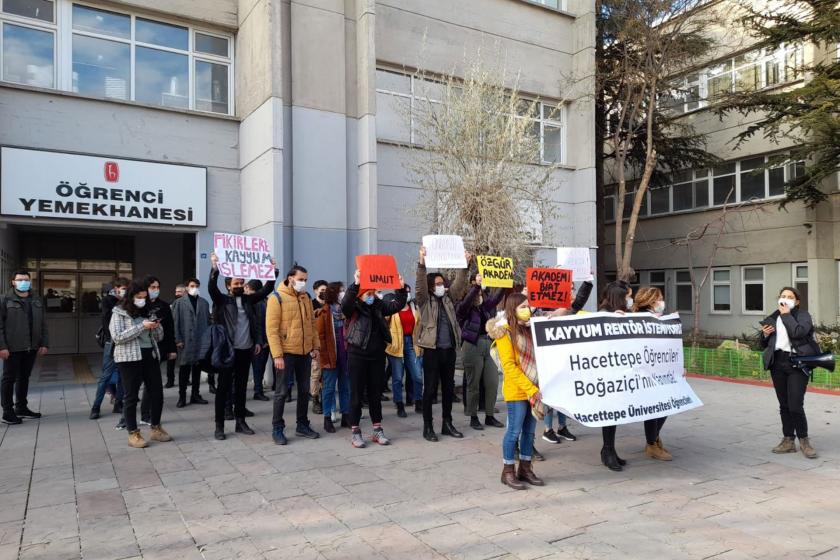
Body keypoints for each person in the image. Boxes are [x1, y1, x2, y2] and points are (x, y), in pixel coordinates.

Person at [208, 253, 276, 440]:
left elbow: (267, 288)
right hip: (227, 351)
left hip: (246, 350)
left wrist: (271, 270)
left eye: (241, 283)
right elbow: (211, 287)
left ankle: (240, 422)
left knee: (240, 387)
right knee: (223, 389)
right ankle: (219, 426)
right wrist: (215, 268)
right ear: (228, 286)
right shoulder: (222, 300)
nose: (239, 286)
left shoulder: (248, 300)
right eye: (235, 284)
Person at [342, 270, 408, 448]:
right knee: (356, 394)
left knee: (375, 394)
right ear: (361, 295)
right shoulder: (354, 306)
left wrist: (401, 289)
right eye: (369, 294)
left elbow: (396, 306)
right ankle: (355, 430)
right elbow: (345, 305)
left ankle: (377, 429)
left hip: (377, 355)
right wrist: (355, 284)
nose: (372, 296)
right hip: (357, 354)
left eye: (374, 293)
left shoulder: (379, 306)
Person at [487, 292, 544, 490]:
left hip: (533, 389)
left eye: (528, 306)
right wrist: (530, 389)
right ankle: (508, 471)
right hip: (517, 391)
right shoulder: (504, 332)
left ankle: (526, 469)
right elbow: (509, 367)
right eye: (522, 307)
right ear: (513, 309)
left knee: (529, 432)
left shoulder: (530, 329)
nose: (527, 310)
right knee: (514, 432)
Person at [415, 246, 469, 442]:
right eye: (437, 284)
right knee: (429, 390)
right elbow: (419, 285)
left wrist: (464, 265)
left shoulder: (448, 299)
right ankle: (428, 426)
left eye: (442, 283)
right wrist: (422, 263)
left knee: (448, 388)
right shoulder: (424, 301)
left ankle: (447, 423)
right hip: (432, 351)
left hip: (449, 350)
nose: (441, 286)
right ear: (431, 286)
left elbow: (459, 286)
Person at [760, 287, 820, 459]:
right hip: (777, 363)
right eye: (782, 296)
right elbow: (765, 344)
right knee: (784, 405)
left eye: (789, 297)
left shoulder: (803, 316)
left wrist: (786, 315)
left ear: (797, 301)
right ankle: (788, 440)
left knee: (795, 405)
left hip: (798, 363)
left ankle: (804, 440)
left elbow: (798, 332)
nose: (785, 299)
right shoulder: (773, 317)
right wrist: (764, 335)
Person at [109, 280, 170, 448]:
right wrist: (141, 327)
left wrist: (156, 326)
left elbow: (159, 337)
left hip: (149, 355)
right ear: (130, 296)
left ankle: (156, 427)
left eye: (144, 297)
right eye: (138, 297)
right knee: (131, 396)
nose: (142, 300)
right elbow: (118, 337)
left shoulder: (148, 311)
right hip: (129, 358)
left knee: (156, 393)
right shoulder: (119, 312)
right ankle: (133, 433)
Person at [266, 264, 320, 445]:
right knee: (281, 392)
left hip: (305, 352)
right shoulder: (277, 298)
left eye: (305, 279)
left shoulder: (305, 297)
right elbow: (272, 330)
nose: (303, 283)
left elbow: (312, 324)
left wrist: (315, 347)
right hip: (286, 353)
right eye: (300, 279)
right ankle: (277, 428)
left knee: (304, 390)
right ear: (290, 278)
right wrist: (277, 355)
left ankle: (302, 424)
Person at [456, 273, 505, 431]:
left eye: (480, 293)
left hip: (488, 344)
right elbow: (465, 304)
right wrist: (476, 287)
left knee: (492, 382)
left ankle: (489, 415)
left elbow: (495, 300)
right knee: (473, 384)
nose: (479, 295)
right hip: (472, 345)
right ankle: (473, 416)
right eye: (476, 293)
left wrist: (504, 283)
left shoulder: (485, 307)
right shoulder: (464, 308)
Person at [0, 270, 48, 424]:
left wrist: (44, 343)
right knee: (8, 379)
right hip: (12, 347)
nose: (23, 282)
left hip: (31, 346)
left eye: (26, 279)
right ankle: (7, 411)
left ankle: (21, 407)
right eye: (20, 279)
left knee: (24, 378)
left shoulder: (36, 300)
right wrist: (2, 347)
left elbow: (43, 324)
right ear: (13, 282)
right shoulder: (5, 300)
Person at [631, 286, 673, 461]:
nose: (662, 302)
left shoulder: (656, 319)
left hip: (658, 370)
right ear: (651, 301)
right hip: (646, 372)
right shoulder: (639, 320)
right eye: (660, 298)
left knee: (662, 405)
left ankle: (654, 438)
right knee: (656, 407)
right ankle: (652, 443)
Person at [598, 281, 633, 471]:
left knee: (614, 413)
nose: (629, 300)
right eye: (627, 296)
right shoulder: (604, 314)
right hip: (607, 373)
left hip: (618, 372)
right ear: (618, 298)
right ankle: (607, 451)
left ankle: (609, 449)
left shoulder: (622, 314)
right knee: (609, 413)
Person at [139, 276, 177, 425]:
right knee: (133, 384)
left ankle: (146, 415)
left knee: (152, 383)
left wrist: (172, 349)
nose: (155, 290)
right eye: (152, 287)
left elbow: (169, 329)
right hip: (140, 349)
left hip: (157, 349)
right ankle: (125, 417)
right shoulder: (140, 305)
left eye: (157, 287)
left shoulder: (164, 306)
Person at [90, 277, 129, 420]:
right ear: (116, 288)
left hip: (125, 341)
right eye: (123, 288)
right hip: (111, 342)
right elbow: (107, 321)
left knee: (123, 376)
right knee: (106, 376)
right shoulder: (108, 301)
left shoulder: (128, 301)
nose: (125, 291)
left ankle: (118, 403)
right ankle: (96, 407)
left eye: (126, 288)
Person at [171, 277, 211, 408]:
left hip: (200, 341)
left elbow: (208, 322)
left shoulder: (204, 303)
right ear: (187, 287)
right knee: (184, 369)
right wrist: (178, 339)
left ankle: (195, 394)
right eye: (192, 285)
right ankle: (182, 396)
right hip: (186, 341)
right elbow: (175, 322)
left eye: (197, 286)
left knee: (197, 369)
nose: (195, 288)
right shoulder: (179, 303)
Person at [385, 285, 421, 419]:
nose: (407, 294)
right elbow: (383, 322)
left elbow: (419, 324)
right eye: (404, 292)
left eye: (408, 291)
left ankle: (418, 401)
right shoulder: (393, 307)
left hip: (412, 344)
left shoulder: (414, 307)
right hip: (396, 345)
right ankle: (399, 404)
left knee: (417, 375)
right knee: (398, 377)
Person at [318, 282, 350, 432]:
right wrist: (323, 358)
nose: (343, 293)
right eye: (340, 291)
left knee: (346, 387)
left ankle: (346, 416)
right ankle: (327, 418)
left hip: (346, 354)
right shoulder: (324, 312)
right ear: (334, 294)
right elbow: (321, 337)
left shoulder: (346, 310)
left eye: (344, 291)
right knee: (329, 389)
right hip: (330, 355)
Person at [245, 280, 271, 401]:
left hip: (259, 341)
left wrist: (262, 341)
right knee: (258, 368)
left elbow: (260, 323)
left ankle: (258, 390)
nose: (245, 290)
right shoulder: (262, 301)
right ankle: (258, 390)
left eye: (247, 287)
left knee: (258, 368)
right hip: (258, 341)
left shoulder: (258, 303)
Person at [310, 279, 328, 414]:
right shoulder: (310, 305)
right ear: (315, 290)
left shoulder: (329, 305)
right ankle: (315, 400)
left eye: (326, 290)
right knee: (316, 374)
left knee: (326, 375)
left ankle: (324, 399)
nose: (324, 293)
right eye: (322, 290)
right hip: (315, 345)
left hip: (328, 345)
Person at [164, 284, 186, 388]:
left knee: (184, 360)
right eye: (176, 292)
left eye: (179, 292)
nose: (177, 294)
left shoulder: (187, 304)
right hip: (171, 335)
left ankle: (185, 379)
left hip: (183, 335)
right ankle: (170, 380)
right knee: (171, 360)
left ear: (185, 292)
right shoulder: (170, 304)